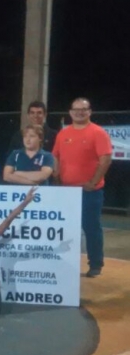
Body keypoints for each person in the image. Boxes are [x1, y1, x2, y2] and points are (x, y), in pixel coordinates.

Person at [52, 97, 113, 278]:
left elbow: (106, 159)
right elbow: (55, 155)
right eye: (76, 109)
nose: (79, 112)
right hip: (66, 191)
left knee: (91, 228)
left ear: (90, 112)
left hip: (90, 192)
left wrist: (93, 182)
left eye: (83, 109)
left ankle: (95, 264)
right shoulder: (63, 133)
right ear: (70, 112)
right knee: (67, 229)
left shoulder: (98, 132)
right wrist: (56, 176)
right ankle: (66, 263)